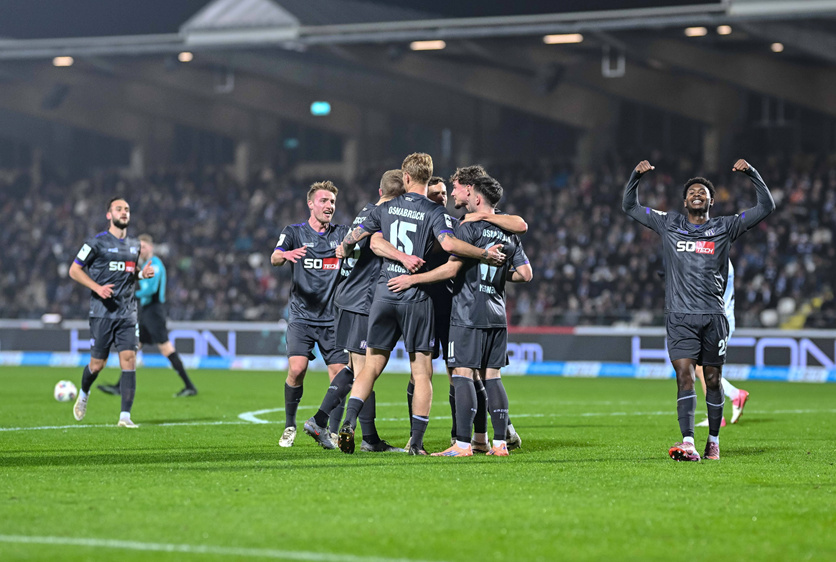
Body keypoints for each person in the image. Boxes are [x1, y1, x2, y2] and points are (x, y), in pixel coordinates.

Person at [335, 152, 506, 455]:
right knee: (422, 372)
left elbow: (361, 238)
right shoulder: (434, 211)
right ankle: (416, 443)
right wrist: (484, 254)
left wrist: (345, 246)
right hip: (417, 296)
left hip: (385, 292)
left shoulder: (386, 207)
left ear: (406, 177)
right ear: (428, 179)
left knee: (371, 366)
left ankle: (348, 422)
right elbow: (450, 244)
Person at [622, 159, 774, 461]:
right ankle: (688, 441)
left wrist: (752, 173)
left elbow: (766, 206)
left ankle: (713, 441)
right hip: (679, 317)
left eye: (703, 192)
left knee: (713, 380)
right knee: (685, 377)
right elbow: (630, 206)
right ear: (684, 201)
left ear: (711, 201)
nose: (697, 194)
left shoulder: (725, 227)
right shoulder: (669, 223)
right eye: (692, 191)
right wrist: (635, 176)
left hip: (713, 317)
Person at [389, 175, 533, 456]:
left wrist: (412, 279)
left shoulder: (468, 228)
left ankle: (463, 444)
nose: (452, 195)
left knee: (463, 374)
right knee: (492, 377)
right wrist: (498, 275)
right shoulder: (508, 233)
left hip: (467, 312)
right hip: (497, 313)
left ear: (476, 197)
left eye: (455, 190)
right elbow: (526, 274)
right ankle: (500, 444)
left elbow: (452, 268)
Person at [302, 170, 418, 452]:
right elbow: (376, 244)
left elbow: (351, 243)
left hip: (348, 297)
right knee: (364, 370)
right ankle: (327, 423)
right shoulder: (386, 216)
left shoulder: (366, 211)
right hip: (362, 300)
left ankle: (363, 436)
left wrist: (344, 245)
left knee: (359, 370)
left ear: (380, 192)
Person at [271, 181, 350, 448]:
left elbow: (363, 244)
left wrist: (350, 249)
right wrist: (286, 254)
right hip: (301, 316)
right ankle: (289, 426)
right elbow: (274, 258)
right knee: (297, 369)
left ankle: (331, 431)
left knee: (340, 374)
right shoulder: (294, 232)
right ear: (310, 204)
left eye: (332, 202)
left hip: (333, 319)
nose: (329, 206)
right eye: (324, 201)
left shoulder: (342, 234)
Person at [69, 197, 155, 428]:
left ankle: (125, 417)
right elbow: (74, 270)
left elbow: (129, 272)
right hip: (102, 313)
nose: (124, 212)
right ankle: (84, 392)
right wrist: (97, 288)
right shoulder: (95, 243)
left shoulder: (134, 244)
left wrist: (141, 275)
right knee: (97, 365)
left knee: (129, 359)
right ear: (109, 215)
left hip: (127, 313)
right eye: (119, 209)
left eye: (127, 209)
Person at [96, 234, 198, 398]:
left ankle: (190, 386)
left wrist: (131, 294)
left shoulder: (155, 265)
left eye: (143, 247)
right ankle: (119, 387)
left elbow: (151, 290)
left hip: (154, 312)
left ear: (151, 247)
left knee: (165, 348)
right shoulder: (144, 265)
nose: (140, 250)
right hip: (146, 311)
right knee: (134, 348)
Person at [696, 260, 749, 426]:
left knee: (703, 367)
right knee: (702, 367)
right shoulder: (723, 259)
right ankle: (733, 397)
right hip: (720, 319)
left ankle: (719, 414)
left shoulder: (717, 261)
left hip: (718, 321)